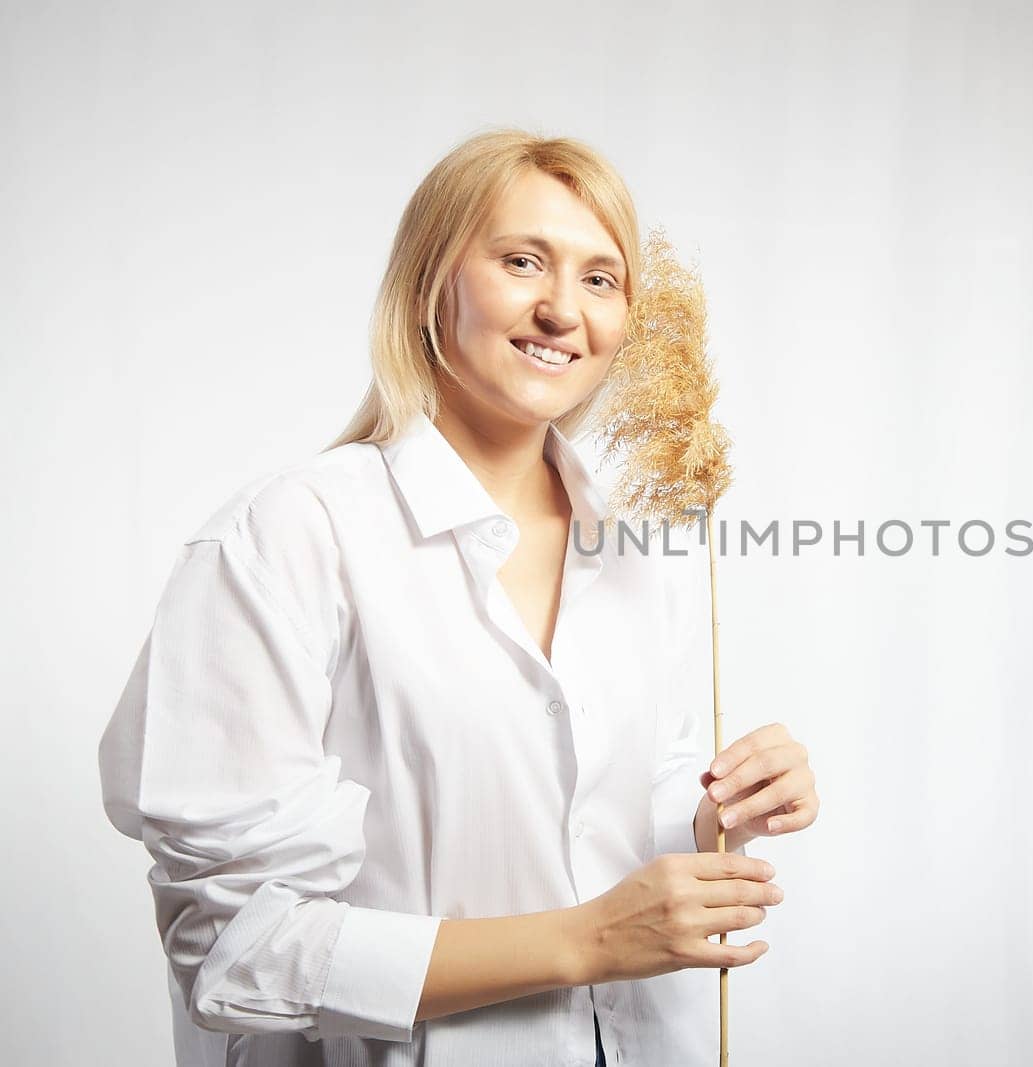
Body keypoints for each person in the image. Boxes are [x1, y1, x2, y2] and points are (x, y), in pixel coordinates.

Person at [97, 128, 821, 1066]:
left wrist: (715, 810)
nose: (563, 309)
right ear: (434, 282)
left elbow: (607, 805)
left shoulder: (644, 551)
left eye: (601, 279)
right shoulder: (289, 534)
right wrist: (586, 939)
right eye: (524, 262)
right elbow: (235, 949)